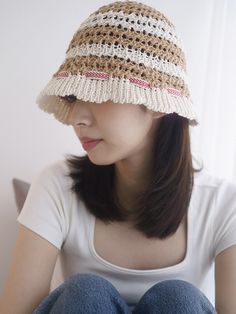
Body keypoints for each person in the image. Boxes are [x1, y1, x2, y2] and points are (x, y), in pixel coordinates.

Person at [1, 0, 236, 313]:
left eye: (97, 92)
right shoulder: (57, 186)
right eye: (74, 96)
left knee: (180, 301)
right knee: (85, 294)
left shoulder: (222, 206)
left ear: (155, 101)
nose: (76, 117)